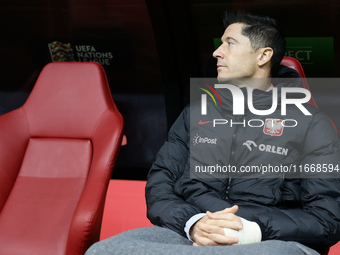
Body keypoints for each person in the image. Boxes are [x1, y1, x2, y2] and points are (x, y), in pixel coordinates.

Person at [86, 11, 340, 255]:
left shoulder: (312, 124)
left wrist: (251, 230)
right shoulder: (195, 114)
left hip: (270, 240)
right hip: (191, 233)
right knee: (104, 250)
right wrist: (193, 223)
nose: (216, 52)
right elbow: (160, 186)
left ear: (263, 55)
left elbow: (327, 219)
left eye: (230, 44)